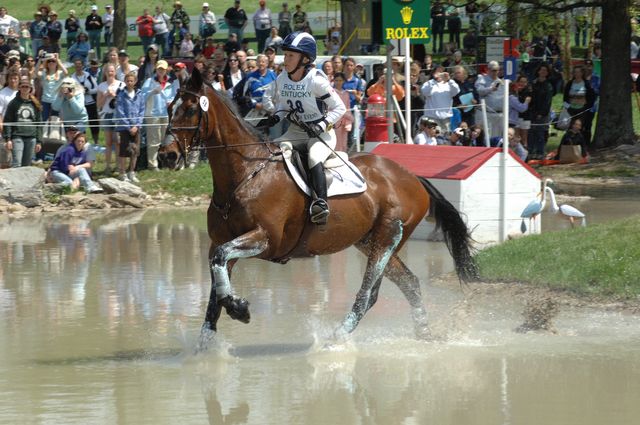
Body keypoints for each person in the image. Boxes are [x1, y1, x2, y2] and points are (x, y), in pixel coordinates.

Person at [257, 31, 346, 225]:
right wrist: (273, 119)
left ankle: (321, 203)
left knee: (314, 156)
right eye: (286, 55)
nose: (285, 59)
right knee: (271, 152)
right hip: (295, 132)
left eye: (290, 56)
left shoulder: (316, 80)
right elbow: (284, 107)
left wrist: (321, 124)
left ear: (304, 59)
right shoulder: (282, 78)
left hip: (321, 134)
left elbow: (340, 107)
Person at [140, 60, 178, 171]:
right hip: (152, 114)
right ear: (156, 69)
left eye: (163, 69)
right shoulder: (149, 81)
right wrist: (152, 92)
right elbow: (142, 96)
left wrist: (171, 102)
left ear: (166, 70)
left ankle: (162, 163)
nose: (161, 71)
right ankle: (152, 164)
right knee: (153, 141)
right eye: (159, 69)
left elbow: (172, 96)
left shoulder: (169, 83)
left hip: (165, 114)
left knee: (163, 140)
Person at [2, 77, 42, 168]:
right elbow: (7, 122)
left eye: (27, 87)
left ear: (30, 89)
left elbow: (39, 123)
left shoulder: (35, 104)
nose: (25, 89)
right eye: (23, 86)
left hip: (32, 137)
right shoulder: (13, 103)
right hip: (17, 136)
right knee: (17, 163)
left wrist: (39, 141)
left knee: (27, 165)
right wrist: (8, 139)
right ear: (19, 88)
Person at [115, 72, 145, 183]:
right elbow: (120, 112)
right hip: (124, 127)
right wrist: (129, 127)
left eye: (132, 81)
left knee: (135, 150)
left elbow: (142, 111)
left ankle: (132, 172)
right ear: (125, 82)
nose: (129, 83)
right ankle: (122, 173)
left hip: (136, 127)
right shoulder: (121, 95)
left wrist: (136, 126)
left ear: (135, 81)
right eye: (127, 81)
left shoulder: (140, 94)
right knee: (123, 150)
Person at [96, 63, 124, 174]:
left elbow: (124, 102)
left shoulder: (121, 84)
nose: (110, 73)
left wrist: (115, 96)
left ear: (115, 72)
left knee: (117, 141)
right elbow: (98, 105)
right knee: (108, 142)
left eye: (112, 71)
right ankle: (107, 165)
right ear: (105, 72)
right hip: (107, 114)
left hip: (117, 115)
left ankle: (118, 165)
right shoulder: (101, 86)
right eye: (108, 71)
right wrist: (105, 95)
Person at [563, 65, 595, 146]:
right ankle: (569, 147)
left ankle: (583, 147)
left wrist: (587, 107)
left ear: (582, 73)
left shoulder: (586, 83)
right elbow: (565, 97)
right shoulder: (570, 83)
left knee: (580, 128)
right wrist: (568, 107)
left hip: (582, 110)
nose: (577, 74)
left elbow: (592, 96)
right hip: (571, 110)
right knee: (571, 129)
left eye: (579, 72)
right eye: (575, 72)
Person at [421, 66, 460, 132]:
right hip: (432, 118)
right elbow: (425, 92)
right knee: (433, 138)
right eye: (438, 72)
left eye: (442, 72)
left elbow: (456, 91)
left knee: (445, 139)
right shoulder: (429, 83)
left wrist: (449, 80)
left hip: (446, 118)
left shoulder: (449, 84)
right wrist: (434, 80)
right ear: (433, 73)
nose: (440, 74)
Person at [528, 63, 554, 160]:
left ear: (547, 73)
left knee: (540, 133)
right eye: (541, 70)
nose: (543, 72)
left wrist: (541, 113)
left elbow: (547, 101)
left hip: (543, 114)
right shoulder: (533, 83)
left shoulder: (548, 86)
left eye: (545, 70)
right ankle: (531, 151)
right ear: (538, 71)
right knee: (531, 132)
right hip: (532, 112)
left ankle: (540, 152)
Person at [70, 57, 100, 145]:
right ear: (74, 66)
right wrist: (79, 91)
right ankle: (82, 142)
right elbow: (71, 90)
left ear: (82, 66)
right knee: (81, 123)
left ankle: (96, 142)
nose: (78, 67)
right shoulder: (72, 78)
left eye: (80, 65)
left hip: (90, 102)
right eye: (76, 65)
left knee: (94, 122)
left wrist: (89, 91)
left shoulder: (88, 75)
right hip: (79, 104)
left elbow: (96, 88)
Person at [474, 60, 504, 139]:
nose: (496, 72)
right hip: (487, 114)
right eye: (493, 70)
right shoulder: (482, 78)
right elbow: (480, 91)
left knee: (497, 138)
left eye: (497, 70)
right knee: (487, 138)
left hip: (499, 115)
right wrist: (490, 89)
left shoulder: (501, 81)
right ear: (488, 70)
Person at [331, 72, 354, 152]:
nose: (338, 82)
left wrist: (349, 121)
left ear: (343, 81)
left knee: (344, 142)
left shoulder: (346, 93)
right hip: (335, 119)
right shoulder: (332, 92)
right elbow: (331, 107)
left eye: (340, 80)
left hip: (345, 120)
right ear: (333, 81)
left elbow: (348, 106)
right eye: (336, 80)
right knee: (336, 141)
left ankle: (344, 156)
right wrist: (349, 116)